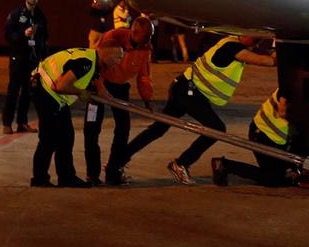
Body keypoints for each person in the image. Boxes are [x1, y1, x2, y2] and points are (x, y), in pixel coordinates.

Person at [120, 34, 276, 184]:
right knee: (216, 129)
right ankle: (181, 163)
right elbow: (266, 61)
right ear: (246, 34)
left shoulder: (231, 43)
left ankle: (118, 161)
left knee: (158, 129)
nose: (257, 44)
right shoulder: (232, 47)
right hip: (188, 92)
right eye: (257, 40)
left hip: (185, 88)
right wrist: (277, 47)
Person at [30, 45, 124, 187]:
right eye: (118, 58)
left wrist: (111, 100)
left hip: (50, 92)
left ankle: (66, 177)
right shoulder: (86, 63)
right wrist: (81, 93)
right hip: (46, 91)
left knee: (66, 136)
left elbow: (100, 88)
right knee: (49, 138)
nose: (119, 62)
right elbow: (60, 86)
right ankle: (39, 179)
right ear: (107, 56)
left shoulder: (92, 61)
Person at [86, 15, 155, 186]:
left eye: (149, 38)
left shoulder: (146, 47)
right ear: (134, 31)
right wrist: (100, 87)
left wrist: (147, 98)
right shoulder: (113, 37)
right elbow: (97, 62)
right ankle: (92, 174)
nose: (147, 41)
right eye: (145, 37)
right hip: (99, 83)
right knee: (92, 129)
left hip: (121, 87)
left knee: (123, 128)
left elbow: (144, 75)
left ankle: (113, 170)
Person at [210, 89, 309, 190]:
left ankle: (295, 171)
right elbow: (283, 110)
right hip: (263, 135)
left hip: (283, 140)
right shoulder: (291, 87)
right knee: (274, 179)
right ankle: (225, 165)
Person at [2, 0, 48, 135]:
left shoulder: (40, 16)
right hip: (18, 58)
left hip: (32, 60)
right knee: (13, 91)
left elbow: (44, 38)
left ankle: (22, 122)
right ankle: (7, 124)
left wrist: (43, 57)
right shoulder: (17, 14)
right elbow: (8, 35)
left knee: (28, 92)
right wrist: (23, 35)